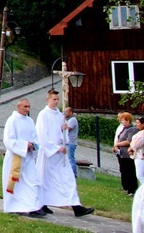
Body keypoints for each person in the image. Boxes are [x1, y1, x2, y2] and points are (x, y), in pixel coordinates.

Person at [36, 89, 94, 217]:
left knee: (68, 178)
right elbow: (41, 135)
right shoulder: (43, 115)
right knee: (45, 179)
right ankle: (42, 204)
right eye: (54, 99)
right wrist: (55, 148)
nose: (56, 102)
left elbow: (63, 133)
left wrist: (64, 131)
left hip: (60, 155)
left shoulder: (60, 115)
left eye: (57, 99)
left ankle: (76, 206)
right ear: (48, 99)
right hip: (49, 154)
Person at [2, 98, 44, 217]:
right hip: (16, 158)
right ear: (18, 106)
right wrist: (25, 145)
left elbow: (35, 137)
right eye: (25, 107)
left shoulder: (30, 121)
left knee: (32, 181)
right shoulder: (12, 120)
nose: (27, 109)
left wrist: (34, 145)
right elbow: (8, 140)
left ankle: (33, 207)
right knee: (16, 184)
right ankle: (14, 206)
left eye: (29, 107)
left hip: (28, 158)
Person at [114, 111, 138, 195]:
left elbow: (129, 141)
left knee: (130, 171)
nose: (121, 121)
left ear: (128, 120)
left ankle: (132, 189)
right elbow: (119, 138)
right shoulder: (124, 129)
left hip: (128, 154)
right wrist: (116, 146)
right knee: (123, 170)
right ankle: (126, 187)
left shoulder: (133, 129)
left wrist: (117, 144)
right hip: (121, 153)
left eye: (123, 120)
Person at [63, 106, 79, 177]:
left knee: (70, 158)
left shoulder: (72, 120)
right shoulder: (68, 120)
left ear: (71, 112)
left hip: (71, 142)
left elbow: (67, 129)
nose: (65, 113)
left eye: (67, 112)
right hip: (68, 142)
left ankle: (73, 173)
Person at [129, 116, 144, 185]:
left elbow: (137, 144)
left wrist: (131, 147)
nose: (136, 124)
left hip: (141, 156)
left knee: (140, 175)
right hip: (137, 155)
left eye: (138, 123)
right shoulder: (140, 132)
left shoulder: (142, 133)